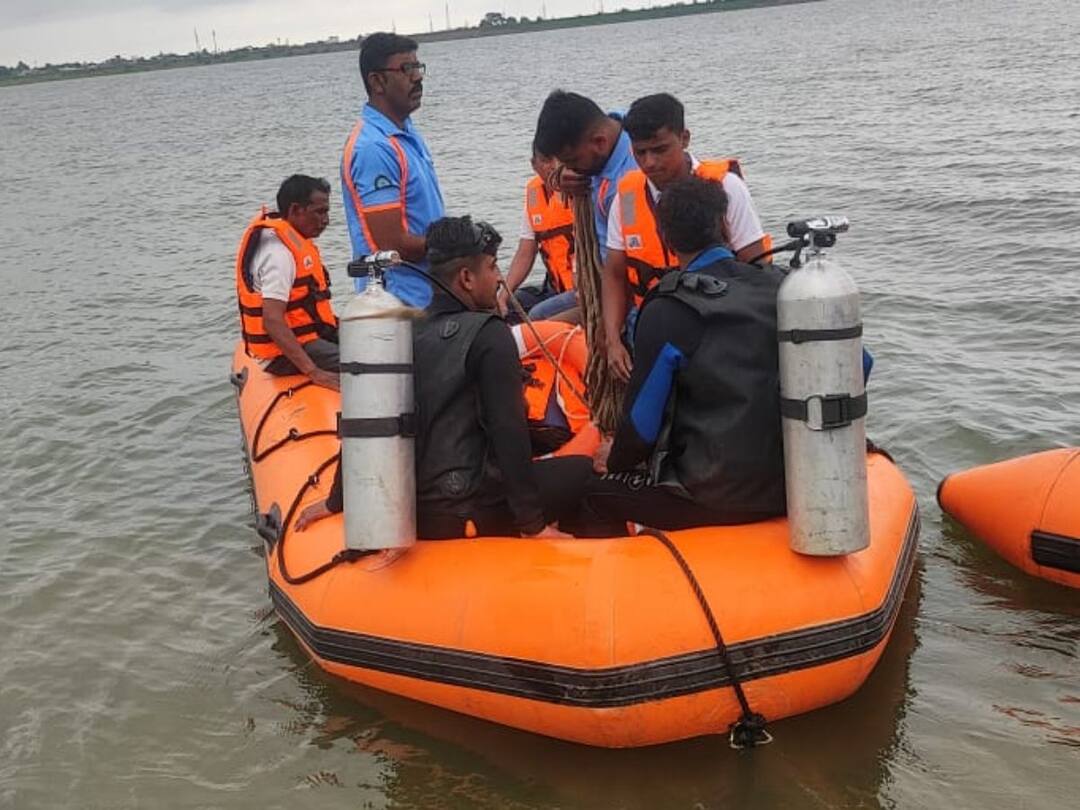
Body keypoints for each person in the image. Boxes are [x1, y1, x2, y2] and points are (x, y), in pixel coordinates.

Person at [297, 216, 594, 538]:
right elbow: (507, 431)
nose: (498, 278)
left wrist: (337, 501)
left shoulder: (405, 332)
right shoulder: (490, 335)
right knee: (583, 470)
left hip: (416, 509)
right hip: (469, 511)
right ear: (467, 277)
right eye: (492, 267)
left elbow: (368, 419)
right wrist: (532, 524)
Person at [585, 176, 786, 533]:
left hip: (709, 496)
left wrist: (614, 460)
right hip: (790, 487)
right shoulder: (783, 287)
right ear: (725, 225)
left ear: (665, 237)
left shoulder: (667, 309)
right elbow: (857, 366)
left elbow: (641, 429)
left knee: (590, 493)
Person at [603, 93, 773, 381]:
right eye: (640, 152)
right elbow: (615, 275)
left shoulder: (727, 188)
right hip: (655, 330)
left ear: (684, 138)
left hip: (720, 332)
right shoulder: (626, 198)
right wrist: (612, 341)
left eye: (660, 150)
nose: (650, 163)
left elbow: (759, 271)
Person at [341, 32, 445, 308]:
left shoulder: (406, 132)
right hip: (401, 304)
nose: (417, 77)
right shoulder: (373, 148)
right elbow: (392, 245)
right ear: (377, 81)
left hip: (432, 292)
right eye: (406, 69)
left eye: (418, 67)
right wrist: (456, 245)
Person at [235, 174, 339, 391]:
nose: (326, 220)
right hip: (281, 355)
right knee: (373, 364)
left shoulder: (290, 239)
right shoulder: (279, 254)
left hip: (309, 334)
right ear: (295, 210)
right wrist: (314, 372)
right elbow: (272, 320)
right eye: (319, 212)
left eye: (327, 212)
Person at [533, 90, 638, 261]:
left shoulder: (629, 184)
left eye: (572, 161)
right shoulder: (617, 121)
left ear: (600, 143)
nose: (568, 169)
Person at [499, 142, 578, 321]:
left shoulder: (578, 192)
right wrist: (503, 295)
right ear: (533, 165)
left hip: (581, 290)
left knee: (538, 314)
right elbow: (525, 252)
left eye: (556, 159)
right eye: (545, 160)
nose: (552, 166)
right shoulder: (534, 196)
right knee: (509, 305)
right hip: (554, 288)